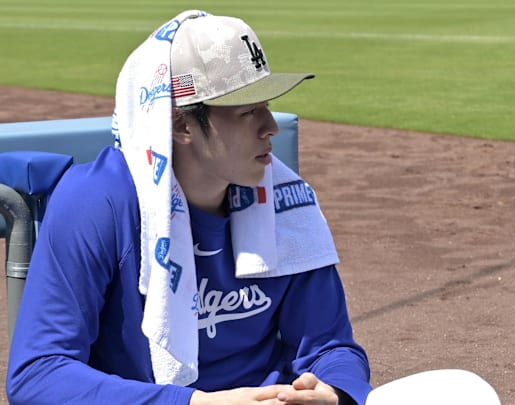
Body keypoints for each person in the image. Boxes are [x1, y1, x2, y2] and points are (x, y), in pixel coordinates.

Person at [6, 10, 371, 405]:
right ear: (181, 125)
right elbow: (38, 374)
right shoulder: (97, 202)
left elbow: (331, 348)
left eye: (266, 104)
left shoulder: (287, 200)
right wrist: (196, 403)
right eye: (247, 111)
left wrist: (333, 392)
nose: (270, 127)